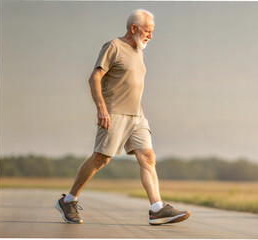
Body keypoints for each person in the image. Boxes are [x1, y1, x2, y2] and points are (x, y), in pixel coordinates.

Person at [55, 9, 190, 225]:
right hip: (114, 112)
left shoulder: (139, 51)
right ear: (134, 28)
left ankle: (157, 208)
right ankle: (68, 200)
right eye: (148, 30)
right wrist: (101, 108)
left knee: (147, 157)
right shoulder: (113, 47)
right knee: (101, 159)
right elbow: (94, 78)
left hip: (137, 115)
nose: (151, 36)